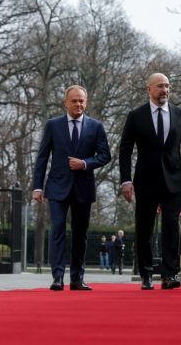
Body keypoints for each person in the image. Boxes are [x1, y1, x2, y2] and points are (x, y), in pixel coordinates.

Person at [119, 72, 181, 290]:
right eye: (160, 86)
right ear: (149, 89)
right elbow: (125, 150)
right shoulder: (136, 116)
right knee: (144, 228)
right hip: (145, 180)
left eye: (168, 86)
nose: (165, 90)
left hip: (174, 180)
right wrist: (125, 180)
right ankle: (146, 274)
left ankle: (169, 274)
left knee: (171, 226)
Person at [32, 85, 111, 291]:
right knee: (57, 230)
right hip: (57, 187)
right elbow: (42, 157)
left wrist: (85, 163)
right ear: (65, 102)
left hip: (83, 188)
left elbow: (105, 155)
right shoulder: (53, 125)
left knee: (80, 234)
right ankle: (57, 277)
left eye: (81, 101)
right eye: (74, 101)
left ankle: (77, 278)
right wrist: (37, 187)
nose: (78, 104)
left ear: (86, 102)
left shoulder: (96, 127)